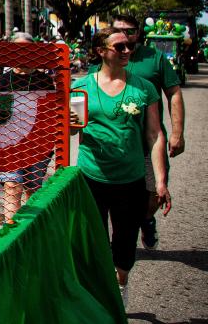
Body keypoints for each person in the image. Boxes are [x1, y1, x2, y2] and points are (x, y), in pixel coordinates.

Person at [72, 28, 170, 302]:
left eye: (129, 46)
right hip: (92, 178)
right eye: (120, 47)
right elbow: (72, 131)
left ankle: (121, 286)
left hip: (131, 180)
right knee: (96, 243)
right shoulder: (81, 88)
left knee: (125, 243)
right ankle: (101, 296)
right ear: (101, 51)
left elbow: (154, 135)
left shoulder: (144, 88)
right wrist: (68, 118)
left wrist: (160, 182)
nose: (128, 51)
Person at [93, 13, 185, 250]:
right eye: (119, 31)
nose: (125, 37)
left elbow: (174, 92)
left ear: (139, 33)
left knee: (154, 194)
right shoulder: (108, 55)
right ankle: (121, 243)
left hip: (149, 139)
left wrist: (177, 132)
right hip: (119, 144)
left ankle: (145, 219)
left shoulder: (154, 58)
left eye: (130, 31)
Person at [0, 32, 54, 223]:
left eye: (27, 49)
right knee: (12, 186)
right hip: (9, 144)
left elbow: (50, 111)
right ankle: (9, 234)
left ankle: (28, 233)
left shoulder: (43, 80)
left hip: (37, 143)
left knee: (33, 189)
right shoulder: (3, 80)